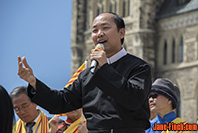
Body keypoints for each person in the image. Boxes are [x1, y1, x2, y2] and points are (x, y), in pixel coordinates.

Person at [17, 12, 152, 132]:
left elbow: (133, 99)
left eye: (105, 28)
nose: (99, 34)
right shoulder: (87, 74)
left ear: (121, 33)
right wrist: (33, 82)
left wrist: (105, 68)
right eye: (95, 30)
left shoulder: (138, 67)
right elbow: (61, 102)